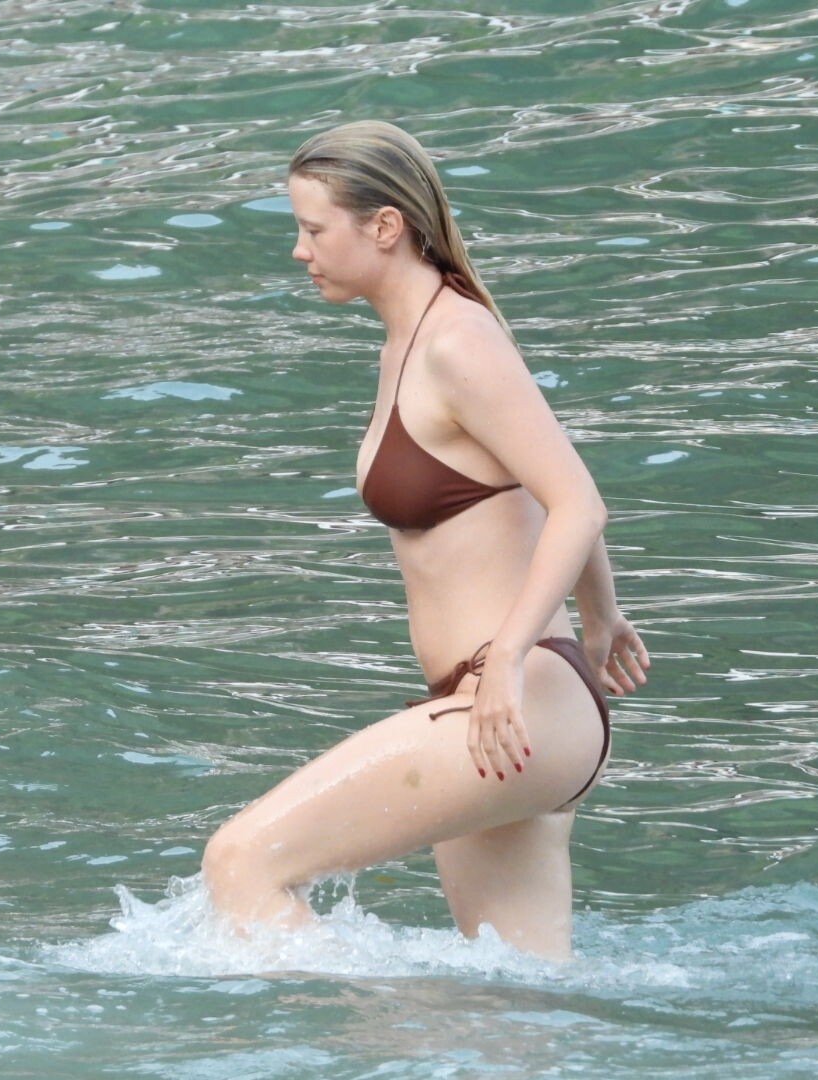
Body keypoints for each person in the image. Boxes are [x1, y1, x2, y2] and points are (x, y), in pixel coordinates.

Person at [201, 120, 650, 960]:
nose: (300, 251)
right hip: (513, 704)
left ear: (384, 226)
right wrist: (599, 618)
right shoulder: (413, 341)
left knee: (241, 864)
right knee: (506, 1010)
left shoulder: (457, 341)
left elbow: (578, 503)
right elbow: (559, 477)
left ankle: (357, 1021)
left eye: (313, 229)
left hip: (512, 696)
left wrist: (512, 659)